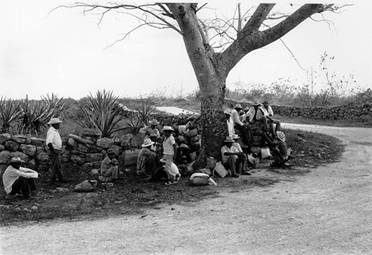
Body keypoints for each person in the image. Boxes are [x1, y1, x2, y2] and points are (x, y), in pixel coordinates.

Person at [46, 117, 65, 183]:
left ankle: (59, 178)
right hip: (54, 150)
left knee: (57, 165)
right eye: (58, 124)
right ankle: (53, 180)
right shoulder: (51, 131)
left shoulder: (54, 131)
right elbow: (49, 142)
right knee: (55, 165)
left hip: (56, 150)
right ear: (54, 124)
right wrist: (53, 150)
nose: (59, 125)